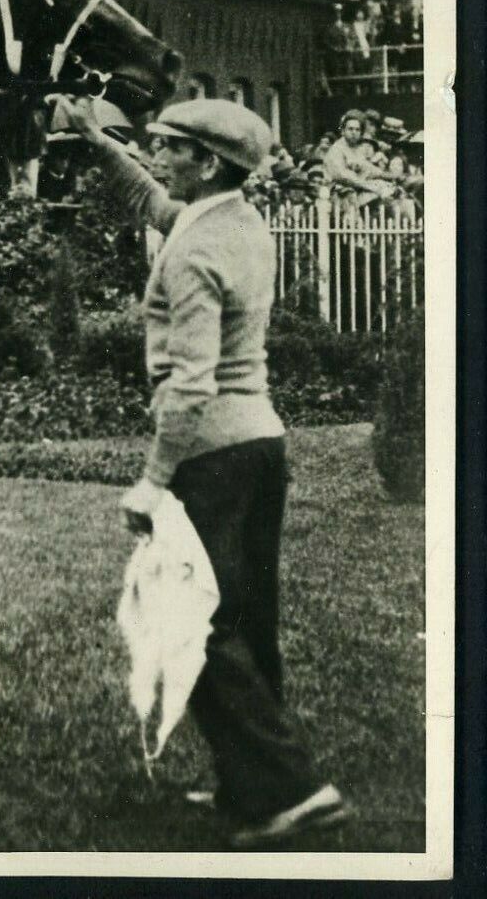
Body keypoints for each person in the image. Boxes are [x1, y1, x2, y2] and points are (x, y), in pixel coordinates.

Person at [60, 95, 347, 848]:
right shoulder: (236, 221)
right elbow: (157, 205)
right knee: (248, 620)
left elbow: (190, 383)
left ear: (208, 162)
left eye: (170, 147)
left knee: (199, 621)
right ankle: (255, 789)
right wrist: (96, 141)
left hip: (211, 453)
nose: (158, 155)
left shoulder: (191, 253)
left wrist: (155, 478)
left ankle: (294, 789)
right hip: (261, 445)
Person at [322, 111, 397, 211]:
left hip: (357, 188)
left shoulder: (356, 149)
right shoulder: (336, 149)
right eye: (350, 129)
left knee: (389, 192)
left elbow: (368, 168)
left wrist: (387, 175)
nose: (354, 132)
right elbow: (344, 176)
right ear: (343, 131)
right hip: (337, 193)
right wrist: (370, 186)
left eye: (357, 130)